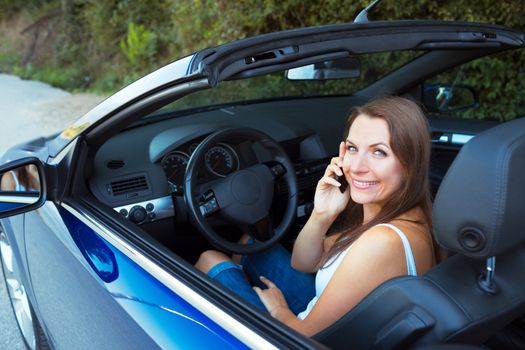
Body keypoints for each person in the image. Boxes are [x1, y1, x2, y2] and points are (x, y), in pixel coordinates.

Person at [195, 96, 437, 336]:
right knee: (250, 244)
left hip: (300, 338)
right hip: (329, 318)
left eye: (379, 152)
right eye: (352, 148)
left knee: (210, 259)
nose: (357, 166)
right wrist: (322, 213)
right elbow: (303, 262)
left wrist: (278, 309)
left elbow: (306, 337)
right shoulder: (410, 216)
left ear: (410, 163)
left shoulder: (382, 241)